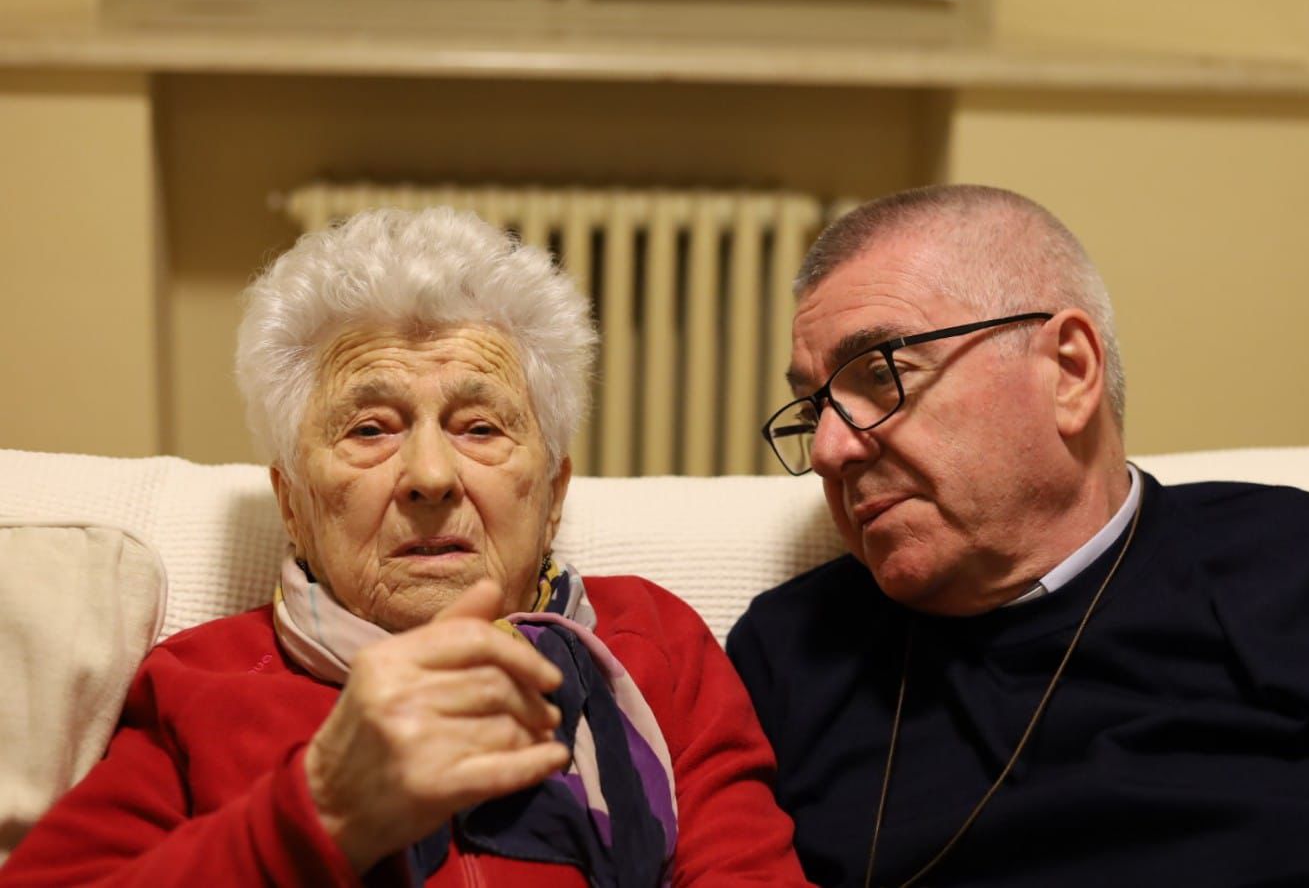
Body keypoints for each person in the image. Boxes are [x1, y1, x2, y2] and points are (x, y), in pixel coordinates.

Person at [1, 207, 809, 887]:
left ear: (554, 494)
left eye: (481, 428)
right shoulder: (201, 684)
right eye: (370, 429)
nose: (429, 475)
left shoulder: (652, 645)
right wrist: (317, 810)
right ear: (291, 500)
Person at [728, 184, 1309, 887]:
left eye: (880, 373)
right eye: (813, 407)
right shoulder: (790, 649)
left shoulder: (1291, 562)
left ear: (1069, 372)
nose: (828, 450)